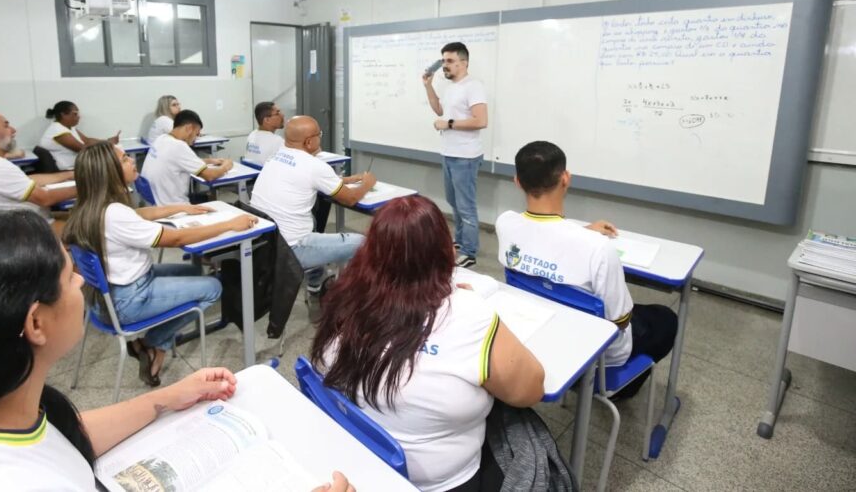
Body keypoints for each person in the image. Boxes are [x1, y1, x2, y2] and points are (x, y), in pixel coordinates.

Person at [0, 210, 352, 491]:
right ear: (35, 322)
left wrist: (165, 398)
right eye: (71, 279)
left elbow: (59, 439)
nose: (83, 285)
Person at [312, 196, 545, 492]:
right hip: (444, 483)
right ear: (446, 254)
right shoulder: (469, 313)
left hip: (355, 463)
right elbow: (530, 390)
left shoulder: (344, 297)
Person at [64, 141, 257, 386]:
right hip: (130, 298)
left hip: (106, 298)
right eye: (124, 159)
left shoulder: (89, 208)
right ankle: (154, 342)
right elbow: (175, 238)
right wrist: (230, 224)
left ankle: (152, 342)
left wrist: (180, 208)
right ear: (108, 172)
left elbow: (137, 215)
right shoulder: (115, 213)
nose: (132, 161)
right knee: (213, 287)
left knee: (191, 271)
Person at [496, 141, 678, 397]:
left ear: (517, 181)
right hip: (595, 358)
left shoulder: (505, 224)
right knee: (664, 318)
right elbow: (618, 322)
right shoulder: (599, 250)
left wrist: (580, 232)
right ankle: (619, 390)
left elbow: (540, 233)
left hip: (539, 330)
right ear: (566, 178)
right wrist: (584, 237)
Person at [250, 116, 375, 295]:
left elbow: (305, 178)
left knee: (314, 224)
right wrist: (367, 183)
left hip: (267, 241)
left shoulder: (275, 156)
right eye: (319, 134)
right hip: (292, 247)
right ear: (309, 142)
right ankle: (349, 295)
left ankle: (315, 283)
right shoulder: (314, 166)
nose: (320, 137)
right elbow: (350, 199)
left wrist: (348, 179)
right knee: (362, 242)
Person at [422, 41, 488, 268]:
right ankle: (460, 242)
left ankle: (469, 251)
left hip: (466, 156)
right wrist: (428, 86)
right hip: (449, 152)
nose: (445, 66)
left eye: (449, 61)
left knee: (466, 205)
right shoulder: (451, 87)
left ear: (464, 62)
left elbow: (481, 120)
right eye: (443, 61)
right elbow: (440, 110)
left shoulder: (473, 86)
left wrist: (447, 124)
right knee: (454, 201)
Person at [0, 112, 77, 236]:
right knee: (95, 226)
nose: (13, 130)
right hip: (30, 231)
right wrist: (90, 185)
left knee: (80, 216)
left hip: (17, 221)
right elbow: (45, 198)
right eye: (6, 126)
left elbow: (26, 180)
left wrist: (70, 174)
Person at [141, 110, 232, 205]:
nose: (195, 139)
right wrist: (226, 166)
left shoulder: (161, 139)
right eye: (196, 134)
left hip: (155, 203)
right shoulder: (179, 146)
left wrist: (210, 161)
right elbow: (210, 176)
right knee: (219, 204)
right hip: (175, 208)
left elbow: (178, 161)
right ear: (189, 128)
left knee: (206, 198)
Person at [37, 100, 120, 170]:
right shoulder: (57, 130)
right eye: (75, 114)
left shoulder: (68, 128)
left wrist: (107, 141)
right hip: (67, 170)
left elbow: (87, 140)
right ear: (63, 115)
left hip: (76, 167)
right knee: (111, 166)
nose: (79, 117)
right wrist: (107, 144)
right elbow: (83, 149)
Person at [244, 101, 285, 166]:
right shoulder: (277, 141)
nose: (282, 115)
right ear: (267, 120)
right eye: (277, 114)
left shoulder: (252, 134)